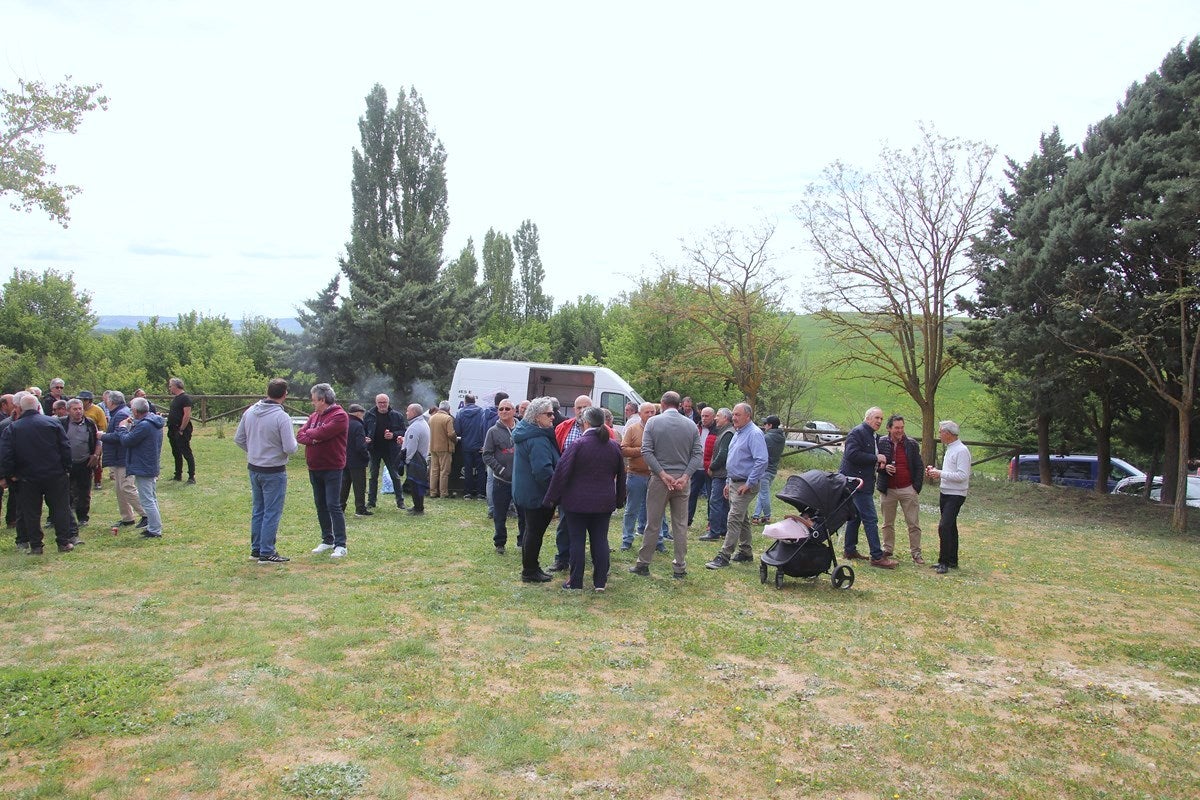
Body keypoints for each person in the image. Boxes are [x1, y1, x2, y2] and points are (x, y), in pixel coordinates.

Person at [544, 405, 625, 591]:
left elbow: (561, 473)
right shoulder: (613, 446)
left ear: (586, 422)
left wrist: (551, 498)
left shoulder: (578, 445)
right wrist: (620, 499)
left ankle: (576, 581)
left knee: (577, 541)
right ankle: (600, 583)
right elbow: (622, 474)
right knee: (600, 540)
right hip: (604, 502)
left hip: (577, 503)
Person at [631, 391, 702, 579]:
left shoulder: (653, 422)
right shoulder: (691, 425)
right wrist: (685, 477)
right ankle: (679, 566)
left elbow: (646, 451)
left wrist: (662, 474)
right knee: (680, 525)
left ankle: (643, 563)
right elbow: (697, 455)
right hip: (681, 482)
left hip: (659, 481)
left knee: (652, 523)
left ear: (662, 404)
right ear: (679, 405)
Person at [0, 393, 74, 554]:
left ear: (19, 408)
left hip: (27, 477)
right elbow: (65, 447)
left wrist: (10, 474)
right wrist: (66, 468)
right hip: (55, 474)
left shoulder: (13, 428)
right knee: (60, 508)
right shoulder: (52, 423)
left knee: (31, 512)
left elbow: (6, 454)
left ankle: (36, 545)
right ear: (37, 406)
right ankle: (64, 542)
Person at [234, 378, 298, 563]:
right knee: (271, 511)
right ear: (285, 394)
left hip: (254, 467)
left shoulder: (251, 411)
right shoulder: (281, 416)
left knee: (258, 509)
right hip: (274, 470)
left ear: (268, 391)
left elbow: (239, 439)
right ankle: (267, 551)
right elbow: (290, 447)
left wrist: (255, 450)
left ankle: (257, 549)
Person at [706, 403, 768, 569]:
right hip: (734, 481)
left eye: (738, 415)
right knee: (742, 518)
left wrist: (749, 483)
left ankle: (724, 555)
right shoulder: (738, 432)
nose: (734, 417)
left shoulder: (754, 434)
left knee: (733, 518)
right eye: (733, 414)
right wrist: (728, 482)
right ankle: (746, 551)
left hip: (745, 483)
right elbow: (732, 459)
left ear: (748, 416)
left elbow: (762, 460)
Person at [839, 407, 899, 569]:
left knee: (856, 516)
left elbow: (868, 460)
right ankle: (877, 557)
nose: (879, 421)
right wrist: (875, 458)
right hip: (856, 483)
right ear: (867, 418)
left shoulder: (872, 435)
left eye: (881, 418)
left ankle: (849, 550)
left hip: (864, 481)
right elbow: (851, 455)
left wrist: (882, 466)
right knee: (871, 519)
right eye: (876, 418)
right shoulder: (857, 433)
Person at [295, 383, 349, 558]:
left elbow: (323, 433)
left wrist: (313, 435)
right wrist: (314, 437)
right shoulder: (314, 416)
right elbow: (300, 435)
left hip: (332, 466)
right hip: (314, 466)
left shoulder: (340, 416)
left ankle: (341, 544)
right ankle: (327, 539)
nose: (312, 404)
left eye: (314, 400)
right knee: (320, 504)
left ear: (323, 400)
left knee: (333, 504)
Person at [103, 396, 165, 538]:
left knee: (147, 500)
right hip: (150, 463)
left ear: (136, 411)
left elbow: (127, 441)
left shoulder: (145, 425)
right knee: (151, 498)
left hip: (144, 465)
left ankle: (155, 530)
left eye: (132, 410)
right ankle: (154, 526)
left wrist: (123, 428)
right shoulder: (152, 422)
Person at [512, 398, 559, 582]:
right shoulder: (537, 438)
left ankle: (531, 568)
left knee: (531, 531)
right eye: (549, 413)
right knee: (534, 532)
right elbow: (542, 471)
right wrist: (554, 493)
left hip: (527, 491)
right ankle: (530, 571)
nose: (553, 416)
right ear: (537, 417)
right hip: (537, 494)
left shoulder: (526, 432)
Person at [877, 414, 925, 564]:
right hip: (888, 489)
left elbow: (919, 466)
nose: (900, 431)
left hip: (907, 489)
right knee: (887, 523)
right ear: (889, 428)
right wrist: (884, 468)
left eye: (902, 428)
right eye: (897, 428)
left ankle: (916, 553)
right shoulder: (881, 442)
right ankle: (888, 549)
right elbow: (875, 464)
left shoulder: (911, 444)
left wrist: (915, 488)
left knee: (913, 523)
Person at [619, 402, 667, 552]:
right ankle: (627, 539)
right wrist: (643, 450)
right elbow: (623, 449)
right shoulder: (633, 429)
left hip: (656, 476)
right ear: (640, 414)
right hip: (636, 475)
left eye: (653, 412)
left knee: (656, 510)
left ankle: (658, 540)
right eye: (647, 412)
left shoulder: (661, 430)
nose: (651, 415)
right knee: (632, 509)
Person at [926, 420, 970, 575]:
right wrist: (937, 473)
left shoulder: (961, 450)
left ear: (948, 433)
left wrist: (940, 473)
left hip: (955, 494)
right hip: (946, 492)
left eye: (940, 432)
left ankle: (943, 561)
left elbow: (963, 475)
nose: (939, 435)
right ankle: (952, 560)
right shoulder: (951, 449)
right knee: (950, 526)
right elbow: (951, 472)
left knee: (944, 526)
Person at [101, 391, 146, 530]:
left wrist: (102, 436)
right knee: (120, 488)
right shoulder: (119, 412)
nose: (106, 402)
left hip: (123, 456)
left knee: (127, 487)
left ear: (111, 402)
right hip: (118, 456)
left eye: (107, 400)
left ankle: (146, 515)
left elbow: (119, 436)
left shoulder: (121, 413)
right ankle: (127, 518)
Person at [482, 398, 520, 553]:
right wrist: (501, 470)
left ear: (514, 411)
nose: (504, 411)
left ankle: (522, 541)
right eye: (501, 409)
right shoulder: (493, 431)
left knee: (523, 514)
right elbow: (487, 455)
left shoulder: (522, 428)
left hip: (520, 481)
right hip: (500, 480)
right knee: (499, 514)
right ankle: (500, 543)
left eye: (507, 409)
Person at [62, 398, 101, 538]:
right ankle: (64, 516)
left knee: (84, 491)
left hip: (85, 462)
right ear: (68, 411)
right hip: (67, 464)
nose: (78, 412)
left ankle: (83, 517)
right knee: (66, 491)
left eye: (80, 409)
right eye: (75, 409)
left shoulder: (90, 423)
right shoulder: (62, 424)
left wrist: (95, 455)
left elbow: (98, 440)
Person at [363, 394, 406, 510]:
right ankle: (371, 502)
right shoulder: (369, 415)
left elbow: (404, 431)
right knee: (373, 476)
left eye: (384, 402)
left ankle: (400, 501)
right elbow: (363, 430)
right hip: (374, 450)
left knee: (395, 476)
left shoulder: (397, 416)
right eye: (380, 402)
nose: (382, 405)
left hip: (391, 450)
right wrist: (366, 438)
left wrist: (393, 435)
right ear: (376, 403)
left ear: (388, 402)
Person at [699, 408, 734, 542]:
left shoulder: (727, 433)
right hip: (722, 473)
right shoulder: (726, 431)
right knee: (723, 503)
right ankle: (723, 529)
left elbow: (722, 454)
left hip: (720, 474)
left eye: (718, 416)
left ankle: (714, 532)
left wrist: (711, 467)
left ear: (725, 418)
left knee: (715, 501)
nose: (715, 418)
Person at [753, 415, 786, 525]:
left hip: (764, 470)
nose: (764, 426)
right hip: (773, 469)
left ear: (770, 425)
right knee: (762, 493)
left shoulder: (766, 438)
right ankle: (756, 516)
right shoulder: (782, 437)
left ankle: (767, 516)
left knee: (763, 494)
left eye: (765, 424)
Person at [340, 404, 371, 518]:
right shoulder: (358, 425)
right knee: (359, 486)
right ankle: (360, 509)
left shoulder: (344, 423)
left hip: (344, 459)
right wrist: (366, 454)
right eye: (362, 413)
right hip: (357, 461)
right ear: (358, 413)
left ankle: (340, 507)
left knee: (344, 485)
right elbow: (360, 446)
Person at [688, 406, 717, 527]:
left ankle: (711, 522)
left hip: (710, 468)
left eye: (707, 416)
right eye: (703, 416)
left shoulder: (717, 430)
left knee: (711, 496)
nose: (704, 418)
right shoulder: (696, 427)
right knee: (691, 494)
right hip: (696, 467)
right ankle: (687, 519)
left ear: (713, 417)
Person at [455, 395, 487, 499]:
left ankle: (467, 493)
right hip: (479, 445)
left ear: (465, 402)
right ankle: (481, 493)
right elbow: (484, 428)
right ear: (474, 401)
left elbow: (458, 430)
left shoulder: (460, 413)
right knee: (481, 469)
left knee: (467, 470)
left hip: (466, 445)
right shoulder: (482, 412)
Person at [402, 403, 430, 515]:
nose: (406, 413)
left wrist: (406, 460)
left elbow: (411, 447)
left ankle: (418, 508)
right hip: (422, 458)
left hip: (415, 460)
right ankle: (418, 506)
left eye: (408, 411)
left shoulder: (415, 427)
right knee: (417, 485)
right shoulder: (423, 423)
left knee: (415, 485)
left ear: (413, 412)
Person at [166, 377, 195, 484]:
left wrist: (182, 429)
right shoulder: (175, 398)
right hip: (172, 429)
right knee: (176, 452)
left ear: (176, 386)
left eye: (170, 386)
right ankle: (178, 474)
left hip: (181, 429)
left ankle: (191, 476)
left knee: (186, 452)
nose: (169, 388)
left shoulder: (185, 398)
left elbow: (187, 415)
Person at [78, 390, 107, 490]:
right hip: (80, 438)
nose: (81, 402)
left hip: (94, 438)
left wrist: (99, 436)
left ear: (88, 401)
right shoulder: (79, 409)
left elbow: (103, 426)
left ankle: (97, 481)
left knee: (96, 460)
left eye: (83, 400)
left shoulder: (97, 410)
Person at [428, 401, 457, 499]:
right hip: (444, 447)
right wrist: (455, 440)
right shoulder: (448, 418)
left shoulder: (431, 418)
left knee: (434, 471)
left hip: (433, 447)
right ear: (448, 409)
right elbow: (451, 433)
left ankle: (432, 492)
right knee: (444, 471)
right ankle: (443, 493)